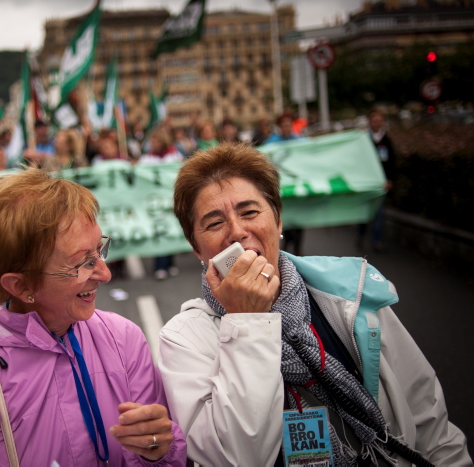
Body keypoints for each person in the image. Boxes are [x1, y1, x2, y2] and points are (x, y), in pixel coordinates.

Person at [157, 143, 471, 466]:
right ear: (197, 249)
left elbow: (429, 421)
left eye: (250, 212)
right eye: (214, 223)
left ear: (278, 222)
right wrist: (247, 320)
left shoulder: (352, 293)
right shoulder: (183, 339)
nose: (237, 232)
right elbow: (237, 456)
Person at [0, 168, 186, 466]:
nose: (105, 273)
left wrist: (159, 451)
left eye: (100, 250)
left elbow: (158, 453)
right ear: (21, 286)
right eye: (83, 263)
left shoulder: (123, 340)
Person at [139, 127, 185, 280]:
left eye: (156, 140)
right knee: (158, 231)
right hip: (154, 202)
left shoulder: (174, 156)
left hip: (169, 200)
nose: (153, 143)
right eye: (152, 140)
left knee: (170, 230)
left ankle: (169, 263)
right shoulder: (147, 159)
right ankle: (159, 266)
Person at [266, 111, 305, 255]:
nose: (286, 127)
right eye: (284, 125)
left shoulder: (300, 141)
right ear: (279, 126)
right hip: (281, 187)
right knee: (286, 216)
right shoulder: (271, 143)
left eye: (289, 124)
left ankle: (297, 247)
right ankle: (288, 243)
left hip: (297, 185)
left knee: (300, 216)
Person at [357, 109, 396, 253]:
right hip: (367, 184)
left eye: (379, 121)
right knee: (364, 214)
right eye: (374, 120)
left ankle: (377, 241)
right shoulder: (364, 139)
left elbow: (392, 162)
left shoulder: (386, 140)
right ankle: (360, 235)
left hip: (381, 185)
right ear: (370, 122)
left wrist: (390, 180)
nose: (377, 123)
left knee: (379, 214)